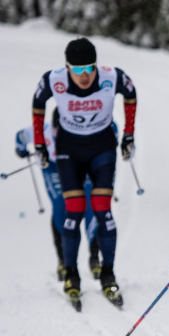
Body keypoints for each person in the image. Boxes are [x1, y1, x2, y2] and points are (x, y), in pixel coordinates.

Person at [31, 37, 137, 307]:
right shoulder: (53, 80)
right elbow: (38, 104)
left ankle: (108, 274)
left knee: (103, 210)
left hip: (102, 148)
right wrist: (40, 144)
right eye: (77, 70)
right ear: (67, 68)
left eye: (90, 68)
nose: (85, 75)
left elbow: (131, 94)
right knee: (73, 212)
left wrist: (128, 135)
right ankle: (71, 274)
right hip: (69, 151)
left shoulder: (111, 77)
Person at [15, 108, 104, 280]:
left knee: (90, 205)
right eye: (58, 130)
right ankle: (64, 261)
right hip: (54, 167)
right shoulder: (40, 132)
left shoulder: (84, 130)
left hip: (79, 166)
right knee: (60, 206)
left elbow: (111, 129)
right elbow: (19, 137)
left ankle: (95, 258)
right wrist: (21, 150)